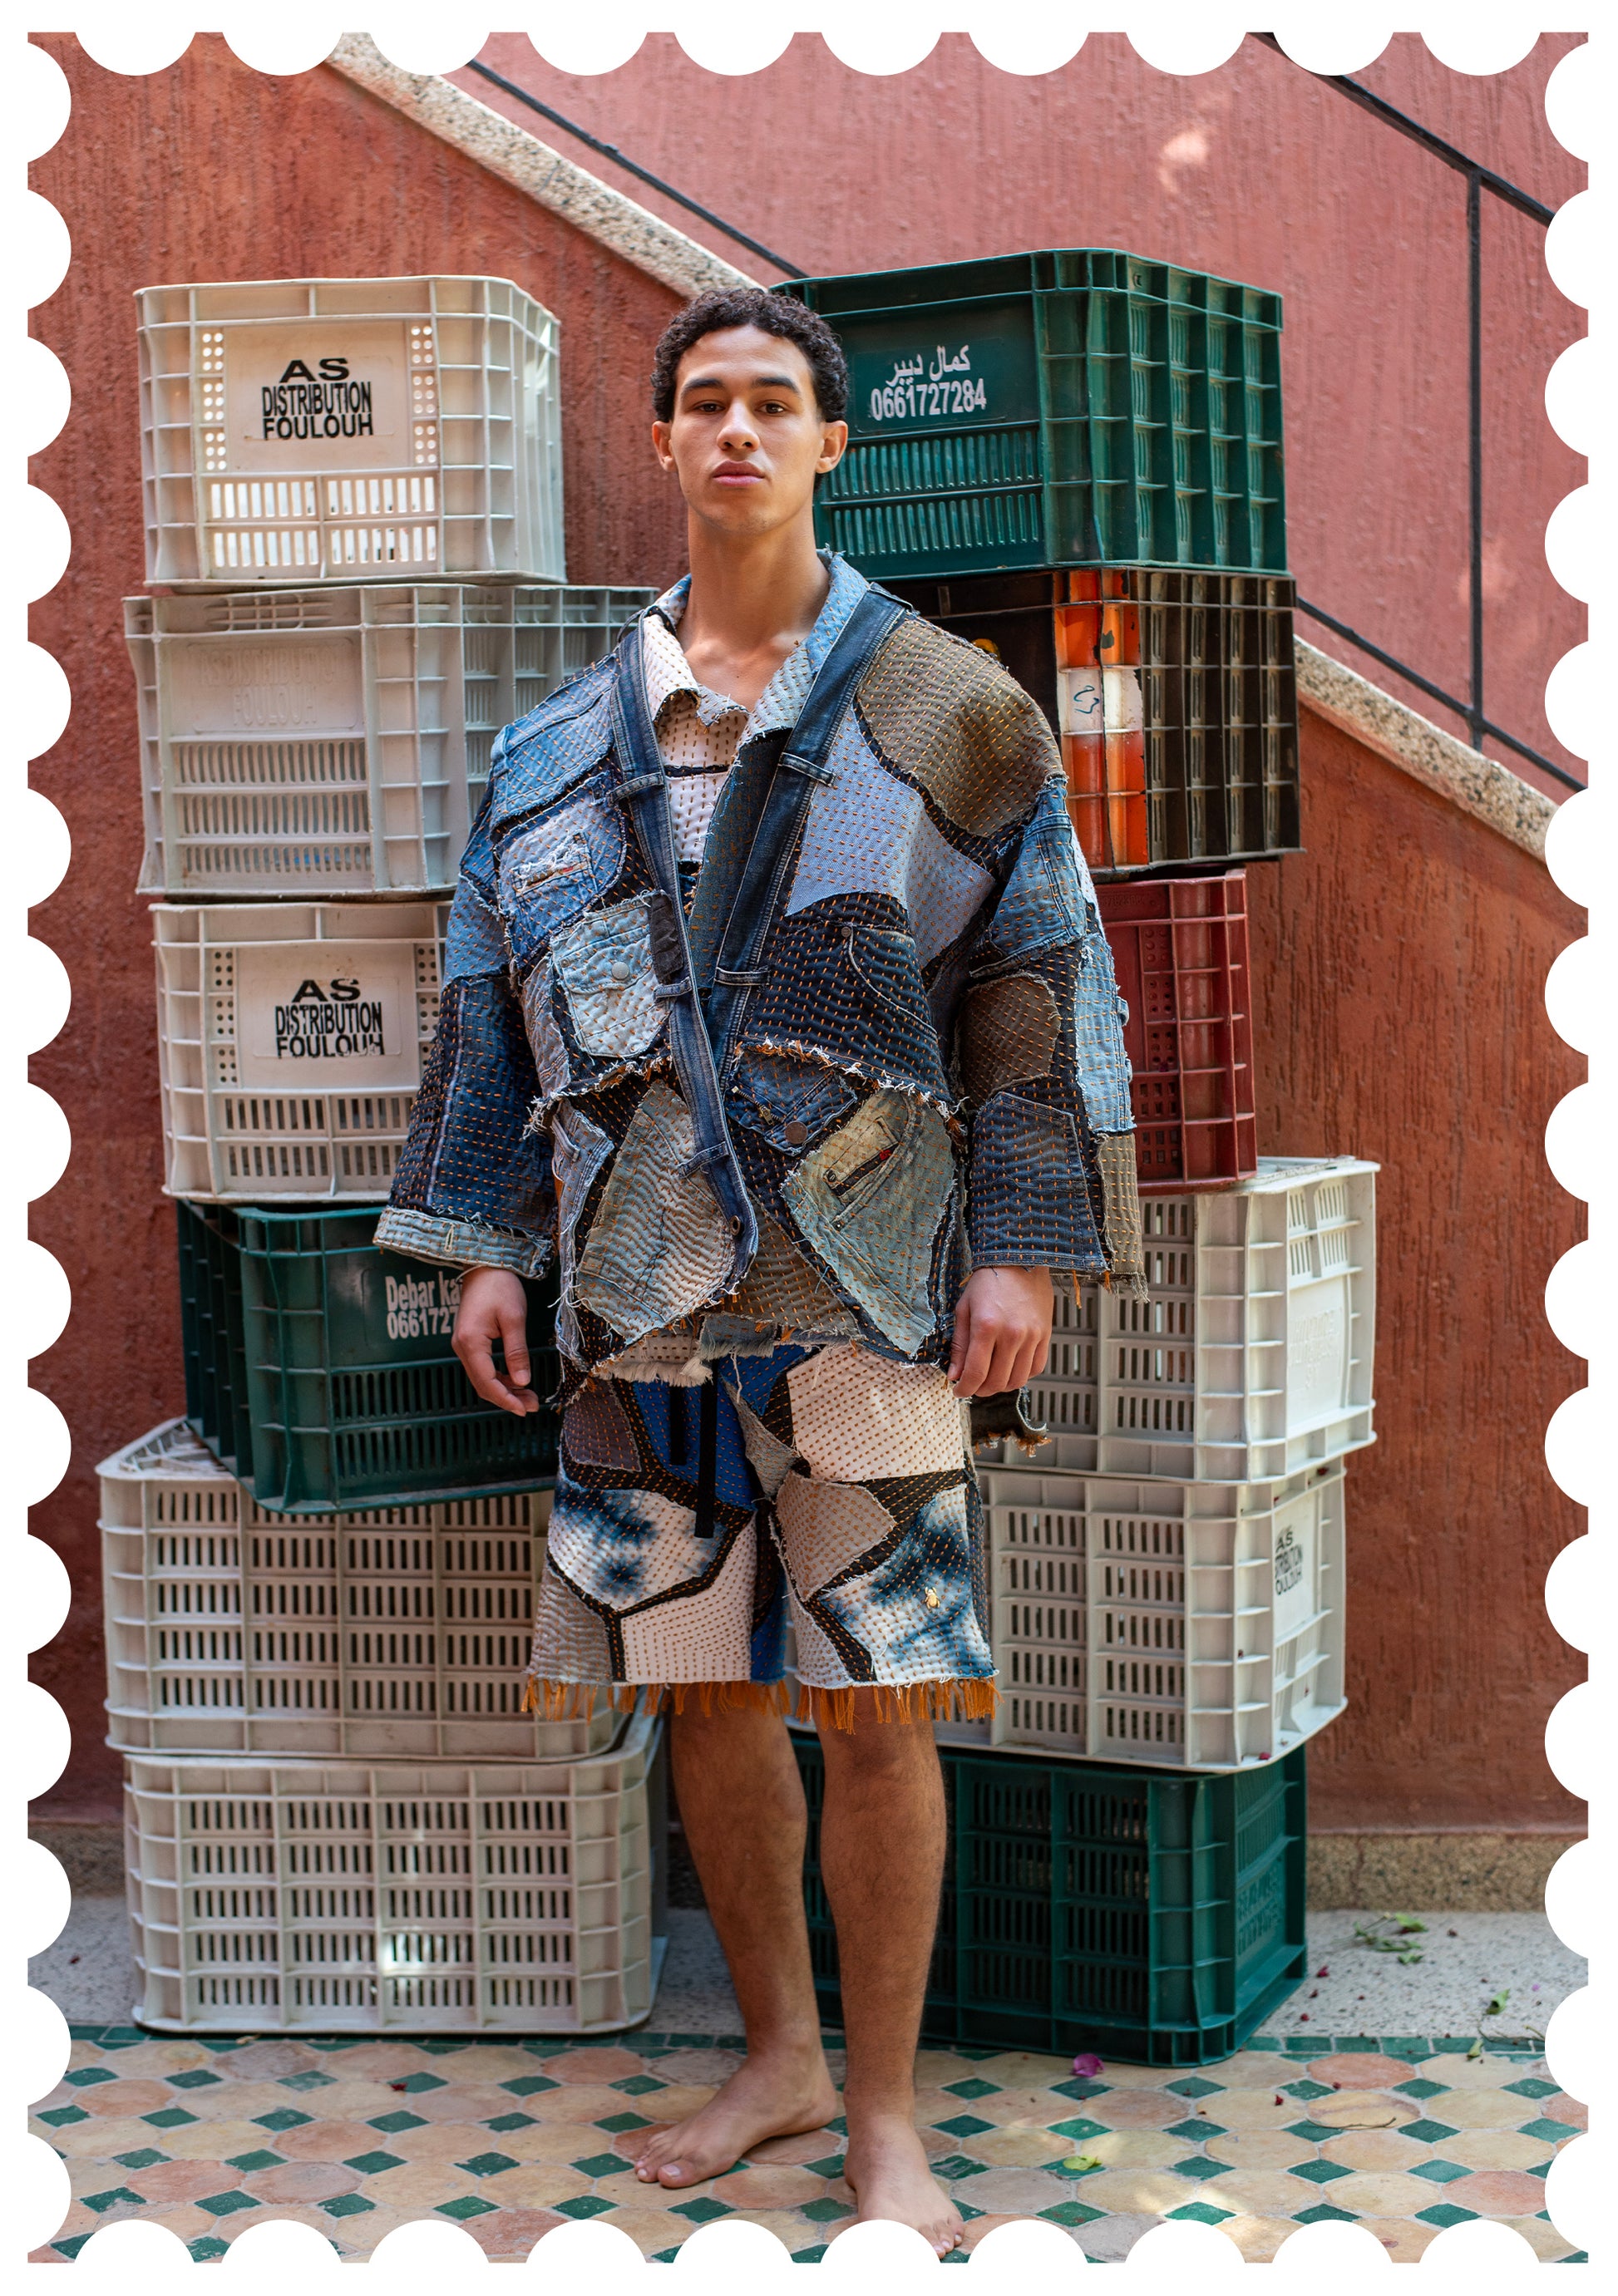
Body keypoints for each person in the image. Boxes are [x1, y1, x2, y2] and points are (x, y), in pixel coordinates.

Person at [377, 285, 1142, 2254]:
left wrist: (1025, 1249)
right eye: (704, 399)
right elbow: (486, 1006)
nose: (736, 428)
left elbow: (1039, 982)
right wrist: (484, 1248)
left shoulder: (952, 709)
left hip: (872, 1287)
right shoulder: (555, 744)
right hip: (632, 1293)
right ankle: (780, 2056)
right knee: (701, 1686)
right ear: (660, 440)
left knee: (880, 1694)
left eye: (773, 401)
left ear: (828, 443)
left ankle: (884, 2113)